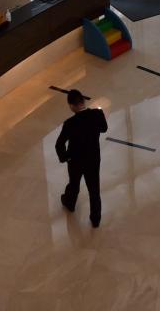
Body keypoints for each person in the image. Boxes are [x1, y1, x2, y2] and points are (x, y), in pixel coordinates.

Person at [55, 89, 107, 227]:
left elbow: (59, 144)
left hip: (75, 160)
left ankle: (70, 203)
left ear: (71, 105)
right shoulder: (97, 114)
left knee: (74, 183)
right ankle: (95, 219)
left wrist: (65, 158)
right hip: (93, 159)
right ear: (83, 101)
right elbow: (104, 128)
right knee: (94, 189)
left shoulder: (69, 123)